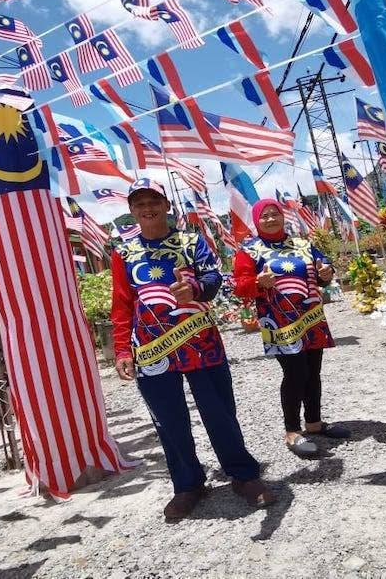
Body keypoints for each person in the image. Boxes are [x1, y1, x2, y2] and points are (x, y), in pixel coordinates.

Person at [110, 179, 275, 520]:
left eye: (154, 201)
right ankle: (188, 485)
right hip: (153, 350)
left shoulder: (191, 241)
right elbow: (122, 304)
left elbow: (215, 279)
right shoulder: (122, 252)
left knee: (220, 412)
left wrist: (195, 289)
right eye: (139, 203)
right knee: (169, 420)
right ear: (131, 211)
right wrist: (123, 350)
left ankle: (244, 475)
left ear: (166, 206)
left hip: (201, 342)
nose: (147, 208)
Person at [233, 198, 350, 457]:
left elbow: (322, 269)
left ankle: (314, 422)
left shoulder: (303, 244)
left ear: (283, 216)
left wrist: (326, 273)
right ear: (256, 220)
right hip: (280, 322)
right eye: (264, 216)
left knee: (313, 371)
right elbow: (239, 286)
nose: (270, 219)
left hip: (310, 317)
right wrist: (258, 282)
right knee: (296, 373)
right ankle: (292, 431)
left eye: (274, 213)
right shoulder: (249, 250)